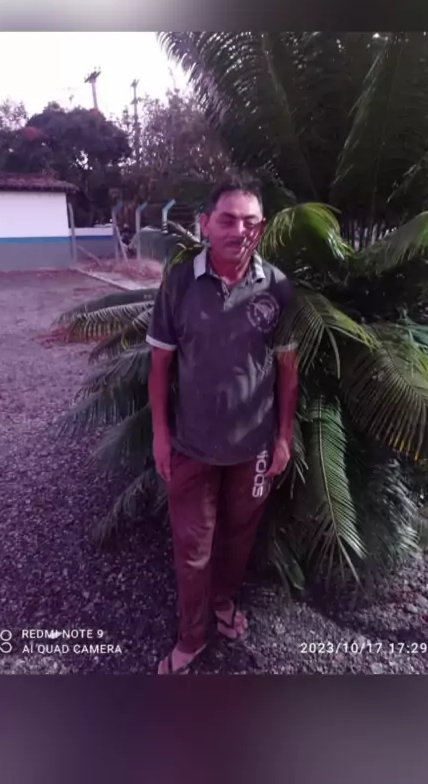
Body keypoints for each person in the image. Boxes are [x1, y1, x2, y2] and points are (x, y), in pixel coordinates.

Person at [146, 173, 298, 675]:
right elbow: (161, 365)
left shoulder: (277, 287)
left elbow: (287, 368)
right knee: (193, 550)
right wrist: (161, 435)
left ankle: (224, 602)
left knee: (238, 539)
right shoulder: (179, 284)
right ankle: (191, 638)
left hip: (254, 448)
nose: (239, 231)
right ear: (205, 224)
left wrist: (283, 437)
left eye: (250, 222)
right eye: (227, 220)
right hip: (192, 447)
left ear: (262, 228)